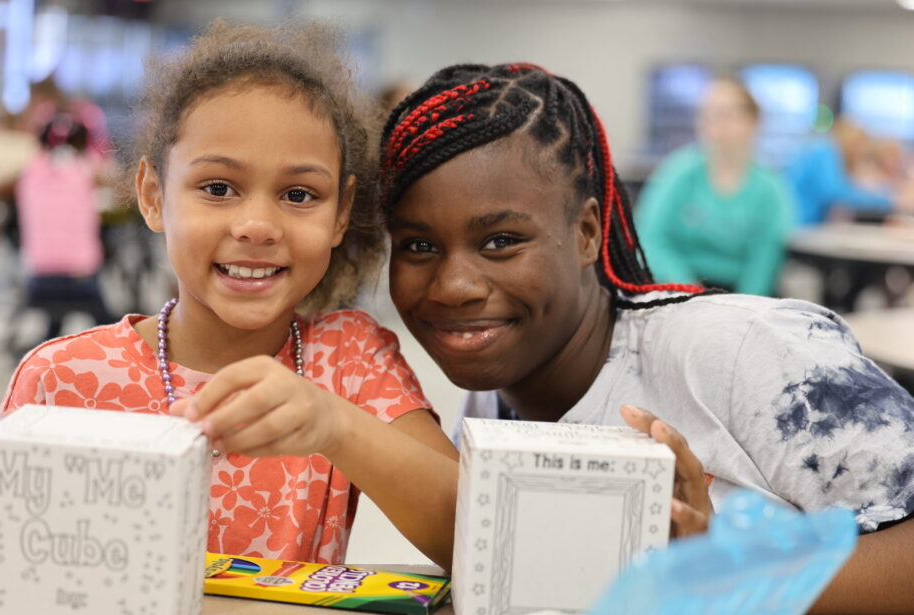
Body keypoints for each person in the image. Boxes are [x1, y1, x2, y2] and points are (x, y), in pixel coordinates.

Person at [380, 63, 914, 612]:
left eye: (501, 241)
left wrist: (730, 576)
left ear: (587, 233)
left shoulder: (739, 350)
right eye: (418, 246)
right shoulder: (497, 395)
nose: (454, 287)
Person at [0, 22, 458, 569]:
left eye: (298, 194)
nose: (258, 226)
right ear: (151, 195)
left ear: (340, 214)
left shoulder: (351, 361)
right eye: (217, 188)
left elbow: (472, 534)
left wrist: (336, 426)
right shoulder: (63, 377)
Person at [635, 77, 793, 296]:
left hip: (741, 294)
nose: (715, 125)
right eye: (707, 115)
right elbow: (650, 237)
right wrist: (688, 290)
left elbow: (765, 259)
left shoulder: (769, 188)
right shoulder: (677, 172)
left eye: (726, 114)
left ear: (753, 122)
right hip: (676, 287)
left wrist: (745, 307)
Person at [12, 113, 115, 345]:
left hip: (39, 270)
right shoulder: (88, 166)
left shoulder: (30, 168)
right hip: (82, 271)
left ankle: (50, 337)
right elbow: (116, 182)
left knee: (55, 313)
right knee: (104, 316)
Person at [786, 118, 896, 226]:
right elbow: (833, 191)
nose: (857, 155)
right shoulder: (825, 149)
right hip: (798, 222)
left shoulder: (825, 150)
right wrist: (882, 201)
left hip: (804, 222)